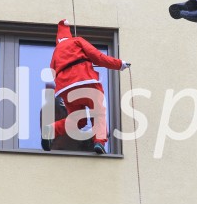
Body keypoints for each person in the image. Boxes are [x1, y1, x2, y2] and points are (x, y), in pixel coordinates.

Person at [41, 19, 130, 155]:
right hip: (85, 81)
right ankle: (99, 141)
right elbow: (98, 56)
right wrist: (119, 64)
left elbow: (52, 73)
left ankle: (51, 130)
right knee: (98, 110)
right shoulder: (76, 41)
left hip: (66, 89)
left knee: (78, 120)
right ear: (69, 35)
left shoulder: (55, 54)